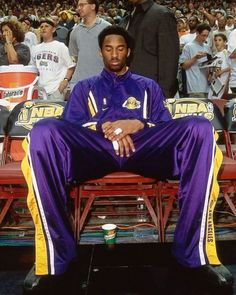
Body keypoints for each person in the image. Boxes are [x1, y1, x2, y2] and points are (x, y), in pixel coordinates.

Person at [22, 25, 233, 292]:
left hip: (144, 149)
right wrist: (103, 127)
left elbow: (164, 127)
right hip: (96, 150)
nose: (114, 54)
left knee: (200, 128)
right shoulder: (84, 87)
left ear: (128, 51)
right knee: (42, 131)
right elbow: (70, 128)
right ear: (101, 52)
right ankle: (55, 258)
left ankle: (193, 252)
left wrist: (138, 124)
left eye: (120, 48)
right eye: (108, 48)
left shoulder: (148, 87)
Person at [121, 0, 179, 98]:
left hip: (151, 92)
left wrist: (163, 95)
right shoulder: (128, 16)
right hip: (128, 90)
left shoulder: (162, 15)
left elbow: (169, 59)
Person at [68, 0, 111, 90]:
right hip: (78, 82)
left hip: (102, 82)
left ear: (93, 6)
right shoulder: (74, 31)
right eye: (78, 6)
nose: (79, 8)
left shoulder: (107, 28)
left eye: (82, 5)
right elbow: (74, 58)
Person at [31, 18, 75, 100]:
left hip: (56, 90)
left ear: (53, 29)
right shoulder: (35, 48)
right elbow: (33, 70)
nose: (43, 28)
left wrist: (65, 82)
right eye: (41, 27)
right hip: (40, 92)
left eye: (46, 26)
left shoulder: (60, 46)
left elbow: (71, 66)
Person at [179, 23, 212, 98]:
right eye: (203, 35)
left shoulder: (207, 47)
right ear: (197, 33)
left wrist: (211, 72)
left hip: (207, 87)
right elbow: (183, 66)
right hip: (194, 87)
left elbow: (210, 64)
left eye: (207, 36)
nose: (205, 38)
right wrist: (195, 58)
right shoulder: (188, 46)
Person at [208, 33, 230, 99]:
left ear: (225, 42)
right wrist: (210, 75)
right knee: (210, 101)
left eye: (220, 40)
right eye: (215, 40)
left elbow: (232, 66)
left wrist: (222, 71)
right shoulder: (215, 55)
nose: (217, 42)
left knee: (216, 102)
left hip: (222, 83)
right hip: (214, 83)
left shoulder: (226, 53)